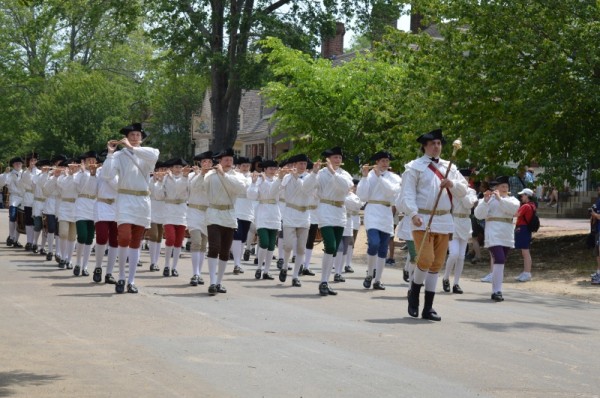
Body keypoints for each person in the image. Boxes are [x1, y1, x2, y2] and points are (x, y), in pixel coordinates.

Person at [399, 129, 468, 321]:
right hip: (423, 218)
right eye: (432, 144)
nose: (436, 147)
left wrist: (452, 184)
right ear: (424, 146)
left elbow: (464, 190)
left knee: (437, 263)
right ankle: (414, 292)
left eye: (439, 143)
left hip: (444, 219)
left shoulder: (450, 167)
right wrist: (412, 213)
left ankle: (428, 307)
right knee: (425, 259)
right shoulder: (414, 167)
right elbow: (407, 194)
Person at [102, 123, 159, 294]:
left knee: (136, 241)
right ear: (126, 137)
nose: (135, 138)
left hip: (142, 200)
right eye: (132, 135)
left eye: (137, 135)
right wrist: (110, 154)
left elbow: (154, 156)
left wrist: (130, 147)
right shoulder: (119, 155)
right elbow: (107, 175)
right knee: (124, 237)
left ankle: (131, 280)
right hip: (125, 199)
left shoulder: (150, 152)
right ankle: (121, 276)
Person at [197, 148, 249, 295]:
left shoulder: (237, 176)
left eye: (231, 160)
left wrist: (223, 174)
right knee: (214, 247)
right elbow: (199, 188)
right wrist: (202, 173)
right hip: (213, 213)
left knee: (225, 251)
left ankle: (219, 282)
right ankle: (212, 282)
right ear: (219, 161)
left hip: (230, 214)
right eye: (225, 160)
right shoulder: (210, 175)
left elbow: (240, 188)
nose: (228, 163)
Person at [357, 151, 402, 290]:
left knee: (383, 249)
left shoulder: (394, 177)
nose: (385, 163)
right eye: (382, 161)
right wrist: (364, 177)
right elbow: (362, 195)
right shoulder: (369, 176)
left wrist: (379, 178)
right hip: (372, 211)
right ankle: (370, 273)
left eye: (386, 161)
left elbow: (392, 192)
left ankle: (377, 279)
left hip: (386, 213)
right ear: (376, 163)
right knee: (374, 243)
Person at [473, 176, 521, 301]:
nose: (505, 189)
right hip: (493, 232)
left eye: (506, 187)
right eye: (502, 187)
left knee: (502, 260)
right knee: (499, 259)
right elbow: (478, 215)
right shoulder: (489, 200)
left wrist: (500, 199)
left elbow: (513, 209)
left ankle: (496, 290)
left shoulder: (513, 200)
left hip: (506, 233)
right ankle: (497, 290)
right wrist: (484, 201)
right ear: (496, 188)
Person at [315, 146, 351, 296]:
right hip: (325, 209)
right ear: (328, 160)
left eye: (339, 158)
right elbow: (309, 188)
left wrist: (334, 172)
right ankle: (323, 281)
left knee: (334, 250)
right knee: (330, 245)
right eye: (335, 158)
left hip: (340, 211)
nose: (338, 160)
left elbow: (347, 187)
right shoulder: (320, 174)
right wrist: (313, 172)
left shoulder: (344, 174)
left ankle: (326, 281)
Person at [278, 154, 318, 286]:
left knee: (301, 248)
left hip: (304, 214)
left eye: (304, 164)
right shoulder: (287, 177)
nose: (302, 166)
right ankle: (284, 266)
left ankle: (295, 276)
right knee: (288, 245)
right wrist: (288, 177)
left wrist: (312, 174)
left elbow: (306, 190)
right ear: (294, 165)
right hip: (290, 212)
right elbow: (282, 192)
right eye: (300, 164)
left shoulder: (310, 177)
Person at [441, 171, 478, 294]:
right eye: (463, 178)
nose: (465, 180)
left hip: (466, 222)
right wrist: (458, 191)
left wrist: (462, 193)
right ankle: (446, 277)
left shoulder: (472, 191)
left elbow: (468, 205)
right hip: (453, 220)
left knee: (461, 256)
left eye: (466, 178)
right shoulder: (451, 190)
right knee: (453, 254)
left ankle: (456, 283)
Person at [247, 159, 284, 280]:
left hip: (275, 212)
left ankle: (266, 271)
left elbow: (281, 194)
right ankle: (259, 268)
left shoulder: (279, 180)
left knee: (272, 244)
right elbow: (251, 195)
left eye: (275, 168)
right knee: (265, 242)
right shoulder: (259, 179)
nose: (273, 171)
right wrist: (253, 183)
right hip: (262, 211)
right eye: (270, 168)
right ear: (265, 169)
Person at [158, 158, 190, 278]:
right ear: (171, 168)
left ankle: (174, 267)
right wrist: (160, 182)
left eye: (180, 167)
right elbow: (159, 195)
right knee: (170, 238)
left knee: (178, 241)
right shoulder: (166, 178)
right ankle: (166, 265)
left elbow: (186, 191)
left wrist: (186, 177)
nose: (178, 169)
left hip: (182, 210)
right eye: (175, 167)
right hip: (169, 210)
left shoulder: (187, 178)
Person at [93, 151, 119, 284]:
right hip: (102, 204)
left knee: (115, 240)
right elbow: (92, 189)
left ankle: (109, 273)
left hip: (116, 206)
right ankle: (98, 267)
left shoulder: (121, 172)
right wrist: (91, 175)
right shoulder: (98, 171)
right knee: (102, 237)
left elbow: (118, 186)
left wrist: (109, 176)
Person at [187, 151, 213, 286]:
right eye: (204, 162)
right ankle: (195, 273)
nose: (206, 164)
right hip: (193, 211)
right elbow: (192, 187)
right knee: (196, 241)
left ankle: (199, 273)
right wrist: (201, 174)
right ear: (200, 163)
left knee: (203, 244)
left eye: (209, 162)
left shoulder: (215, 177)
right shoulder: (192, 176)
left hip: (207, 213)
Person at [73, 152, 100, 277]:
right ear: (84, 161)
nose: (91, 162)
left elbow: (97, 189)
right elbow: (79, 187)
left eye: (93, 160)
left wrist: (93, 175)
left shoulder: (98, 174)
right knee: (82, 236)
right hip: (81, 205)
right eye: (89, 160)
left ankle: (85, 266)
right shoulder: (79, 174)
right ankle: (78, 262)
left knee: (89, 238)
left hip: (93, 205)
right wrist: (84, 173)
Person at [231, 156, 255, 275]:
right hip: (236, 208)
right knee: (237, 236)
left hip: (248, 210)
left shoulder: (253, 177)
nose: (245, 168)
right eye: (243, 166)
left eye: (247, 166)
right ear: (238, 166)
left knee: (243, 238)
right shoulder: (234, 176)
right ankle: (236, 263)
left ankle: (238, 262)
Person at [514, 188, 537, 282]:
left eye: (523, 195)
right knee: (525, 252)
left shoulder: (526, 206)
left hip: (523, 228)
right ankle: (525, 272)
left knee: (525, 252)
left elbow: (516, 214)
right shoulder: (532, 205)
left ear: (527, 196)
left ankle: (527, 273)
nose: (521, 197)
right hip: (525, 228)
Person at [20, 153, 41, 251]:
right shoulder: (25, 172)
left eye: (34, 160)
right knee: (28, 220)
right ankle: (29, 241)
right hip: (28, 197)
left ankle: (34, 242)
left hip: (36, 198)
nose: (33, 162)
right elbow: (25, 181)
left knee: (35, 221)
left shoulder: (39, 172)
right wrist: (29, 170)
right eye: (31, 160)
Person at [3, 157, 25, 247]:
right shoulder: (10, 174)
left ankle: (15, 239)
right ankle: (11, 237)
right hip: (14, 197)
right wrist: (5, 173)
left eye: (19, 163)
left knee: (20, 219)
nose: (18, 165)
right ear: (13, 165)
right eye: (16, 164)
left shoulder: (25, 173)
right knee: (12, 216)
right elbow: (4, 182)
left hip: (23, 198)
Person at [591, 196, 600, 285]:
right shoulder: (598, 200)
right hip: (598, 229)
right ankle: (598, 272)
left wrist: (595, 215)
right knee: (597, 253)